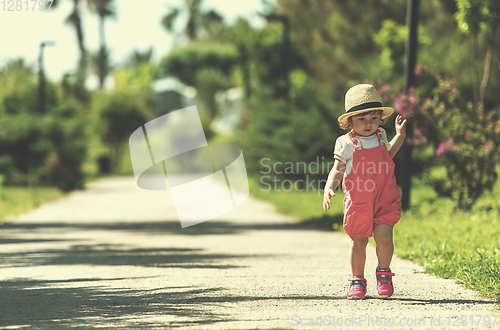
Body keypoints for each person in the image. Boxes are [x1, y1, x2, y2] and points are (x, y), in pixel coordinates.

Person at [323, 84, 407, 299]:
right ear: (349, 121)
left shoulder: (380, 136)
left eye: (373, 118)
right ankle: (357, 280)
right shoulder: (346, 143)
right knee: (359, 241)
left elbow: (388, 154)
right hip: (359, 201)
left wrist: (400, 136)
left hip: (384, 198)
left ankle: (384, 273)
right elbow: (338, 170)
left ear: (380, 119)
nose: (368, 123)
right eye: (362, 119)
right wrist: (329, 188)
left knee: (384, 237)